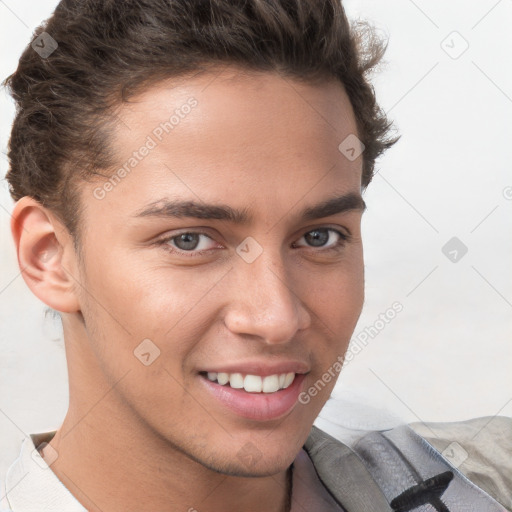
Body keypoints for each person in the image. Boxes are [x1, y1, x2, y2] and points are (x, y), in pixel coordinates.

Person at [1, 0, 510, 511]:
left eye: (319, 237)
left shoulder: (485, 483)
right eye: (190, 240)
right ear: (49, 256)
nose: (276, 317)